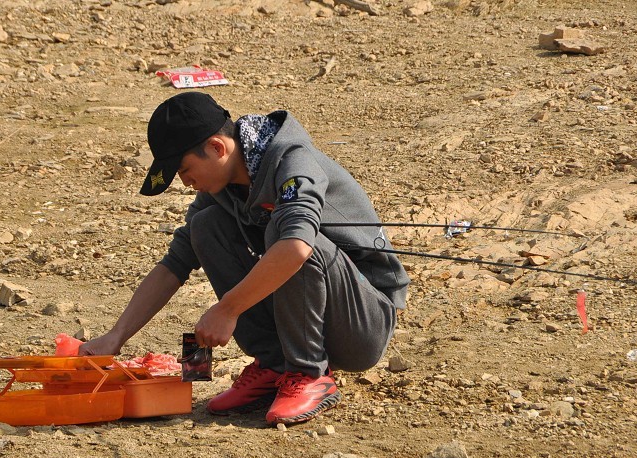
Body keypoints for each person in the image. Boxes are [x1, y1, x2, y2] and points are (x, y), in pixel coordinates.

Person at [80, 91, 409, 426]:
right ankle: (275, 364)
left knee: (288, 235)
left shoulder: (293, 162)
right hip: (311, 310)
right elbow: (174, 264)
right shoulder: (222, 185)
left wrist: (227, 309)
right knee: (204, 226)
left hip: (364, 322)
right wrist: (116, 335)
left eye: (185, 169)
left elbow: (297, 248)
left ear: (217, 148)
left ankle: (308, 374)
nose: (186, 182)